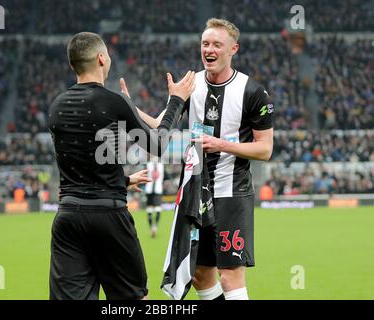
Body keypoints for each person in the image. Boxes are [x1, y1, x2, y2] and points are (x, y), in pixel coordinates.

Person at [122, 18, 274, 300]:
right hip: (195, 193)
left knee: (230, 277)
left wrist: (222, 145)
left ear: (233, 49)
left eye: (217, 44)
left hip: (232, 193)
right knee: (200, 275)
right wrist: (129, 107)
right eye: (205, 43)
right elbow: (158, 126)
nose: (209, 49)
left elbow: (265, 149)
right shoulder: (190, 86)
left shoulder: (252, 92)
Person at [48, 32, 195, 300]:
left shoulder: (57, 106)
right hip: (108, 217)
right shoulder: (112, 101)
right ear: (101, 58)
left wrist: (124, 180)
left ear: (73, 64)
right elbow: (158, 145)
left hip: (68, 217)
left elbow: (82, 162)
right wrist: (177, 100)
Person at [145, 157, 164, 237]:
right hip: (155, 190)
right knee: (156, 209)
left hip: (151, 189)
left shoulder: (148, 164)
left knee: (151, 209)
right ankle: (154, 227)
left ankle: (152, 227)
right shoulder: (160, 165)